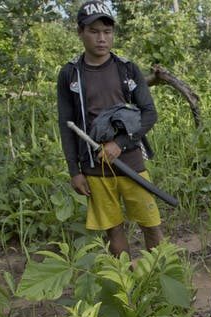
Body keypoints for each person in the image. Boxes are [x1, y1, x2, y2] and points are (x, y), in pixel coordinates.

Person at [57, 1, 162, 257]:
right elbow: (66, 124)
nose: (102, 38)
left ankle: (161, 280)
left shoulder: (126, 69)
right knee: (114, 230)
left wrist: (120, 143)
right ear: (80, 32)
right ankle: (127, 287)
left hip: (132, 165)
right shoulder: (71, 74)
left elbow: (149, 113)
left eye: (107, 31)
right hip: (95, 169)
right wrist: (74, 171)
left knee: (152, 225)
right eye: (94, 31)